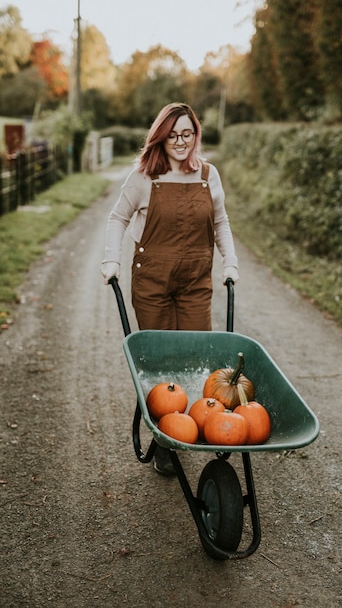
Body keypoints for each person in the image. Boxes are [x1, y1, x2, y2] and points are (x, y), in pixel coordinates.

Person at [101, 102, 239, 474]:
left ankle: (196, 425)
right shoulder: (144, 177)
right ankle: (165, 438)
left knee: (196, 357)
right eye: (172, 135)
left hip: (196, 282)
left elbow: (222, 222)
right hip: (153, 282)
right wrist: (111, 260)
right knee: (160, 362)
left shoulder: (209, 176)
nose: (180, 142)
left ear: (196, 134)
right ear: (161, 138)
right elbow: (118, 218)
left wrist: (230, 262)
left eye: (187, 134)